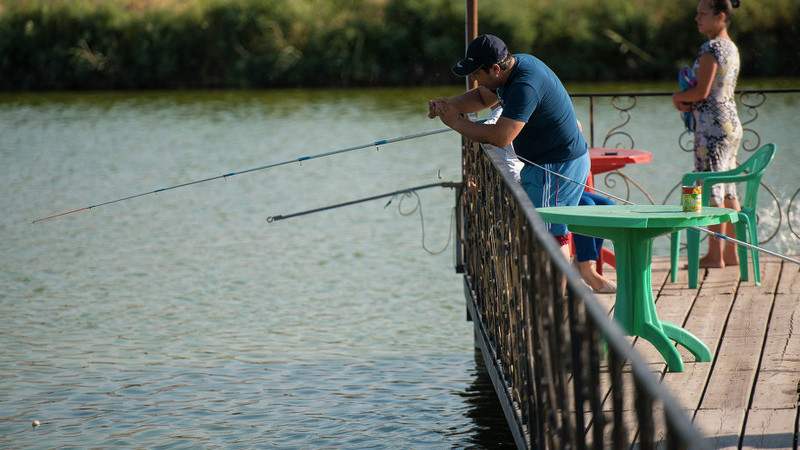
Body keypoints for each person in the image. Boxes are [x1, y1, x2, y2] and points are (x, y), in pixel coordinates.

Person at [428, 34, 590, 264]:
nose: (474, 78)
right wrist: (448, 105)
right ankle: (546, 298)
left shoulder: (525, 84)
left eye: (476, 73)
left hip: (557, 167)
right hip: (542, 165)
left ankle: (553, 300)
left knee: (550, 239)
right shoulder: (511, 69)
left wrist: (456, 122)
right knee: (541, 235)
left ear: (495, 68)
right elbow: (482, 98)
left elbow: (501, 136)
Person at [482, 106, 616, 293]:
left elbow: (576, 126)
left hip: (548, 178)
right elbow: (487, 130)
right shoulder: (505, 115)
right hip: (528, 183)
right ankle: (587, 271)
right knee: (586, 205)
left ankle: (581, 264)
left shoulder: (530, 106)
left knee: (606, 206)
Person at [671, 0, 742, 268]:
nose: (697, 18)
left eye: (703, 14)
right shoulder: (731, 47)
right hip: (730, 125)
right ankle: (732, 254)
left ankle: (714, 256)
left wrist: (677, 97)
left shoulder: (711, 48)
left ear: (720, 16)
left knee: (710, 189)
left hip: (712, 128)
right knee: (729, 191)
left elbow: (701, 92)